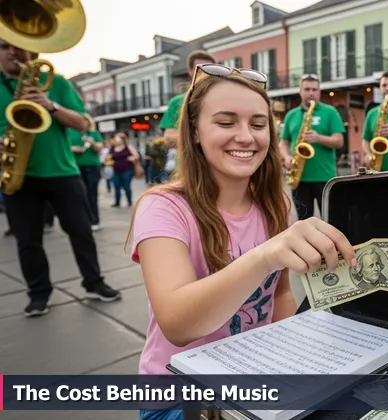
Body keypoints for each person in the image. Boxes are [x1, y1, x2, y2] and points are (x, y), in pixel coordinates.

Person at [128, 64, 356, 419]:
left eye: (258, 124)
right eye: (225, 122)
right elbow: (177, 324)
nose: (246, 137)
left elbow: (278, 294)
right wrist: (265, 255)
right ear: (195, 132)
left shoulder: (276, 203)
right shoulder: (163, 206)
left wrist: (294, 363)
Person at [0, 38, 120, 316]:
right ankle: (39, 293)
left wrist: (50, 105)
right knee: (27, 240)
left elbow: (83, 123)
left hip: (62, 172)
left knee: (81, 232)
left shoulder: (56, 82)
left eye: (17, 45)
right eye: (4, 46)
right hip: (18, 174)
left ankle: (94, 283)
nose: (12, 51)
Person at [280, 74, 346, 220]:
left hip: (325, 178)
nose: (311, 93)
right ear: (300, 91)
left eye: (314, 89)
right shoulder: (291, 115)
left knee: (331, 220)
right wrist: (286, 157)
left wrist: (319, 138)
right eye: (307, 89)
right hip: (299, 178)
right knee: (304, 222)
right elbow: (283, 143)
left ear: (319, 92)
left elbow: (339, 141)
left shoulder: (330, 112)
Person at [159, 50, 217, 178]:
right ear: (190, 70)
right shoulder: (178, 101)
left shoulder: (222, 99)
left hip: (219, 170)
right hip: (188, 170)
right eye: (201, 69)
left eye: (210, 69)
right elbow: (169, 139)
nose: (206, 73)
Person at [69, 116, 104, 231]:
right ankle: (82, 221)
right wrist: (75, 149)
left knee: (92, 194)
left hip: (92, 166)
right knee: (78, 195)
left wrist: (93, 142)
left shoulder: (93, 133)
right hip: (76, 167)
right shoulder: (70, 132)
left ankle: (94, 220)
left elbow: (99, 148)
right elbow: (64, 146)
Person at [107, 132, 140, 208]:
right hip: (116, 170)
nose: (116, 139)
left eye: (118, 138)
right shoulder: (113, 148)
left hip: (127, 170)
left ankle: (129, 201)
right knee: (116, 186)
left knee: (127, 186)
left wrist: (132, 158)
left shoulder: (128, 147)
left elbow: (136, 156)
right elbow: (108, 157)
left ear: (123, 139)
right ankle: (117, 202)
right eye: (116, 138)